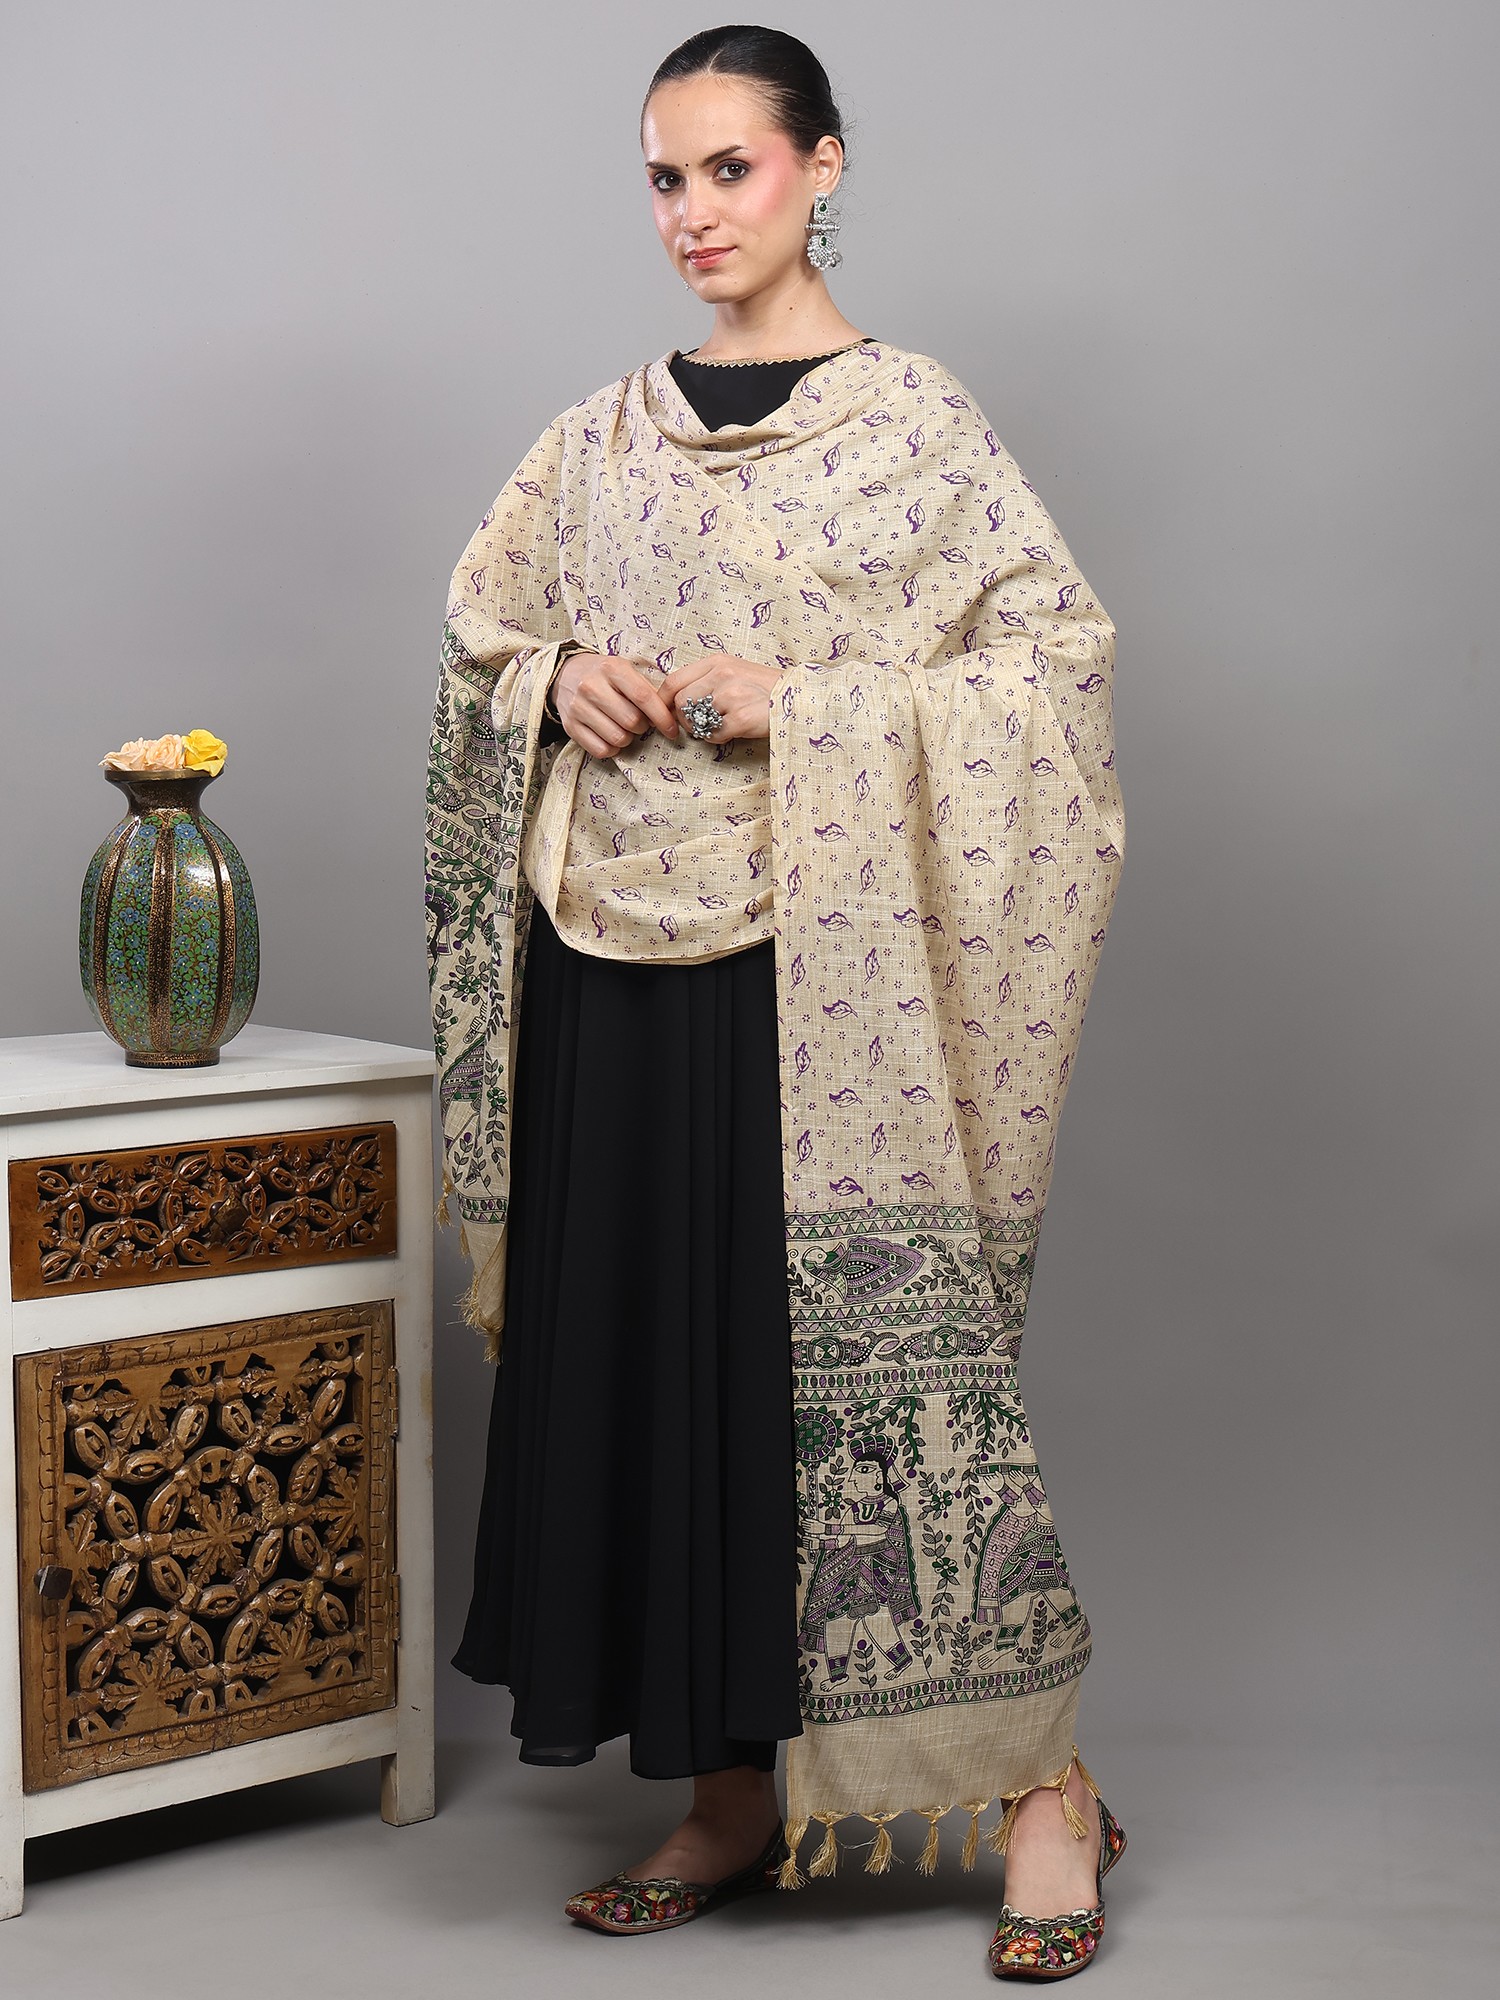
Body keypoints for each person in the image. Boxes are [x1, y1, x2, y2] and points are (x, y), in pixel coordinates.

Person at [424, 23, 1127, 1980]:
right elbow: (484, 628)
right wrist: (553, 678)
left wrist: (806, 706)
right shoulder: (598, 439)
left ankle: (1044, 1794)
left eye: (729, 167)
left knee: (857, 1400)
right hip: (607, 967)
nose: (692, 211)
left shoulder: (916, 428)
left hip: (823, 997)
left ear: (823, 164)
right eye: (664, 176)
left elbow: (1054, 679)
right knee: (658, 1383)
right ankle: (729, 1789)